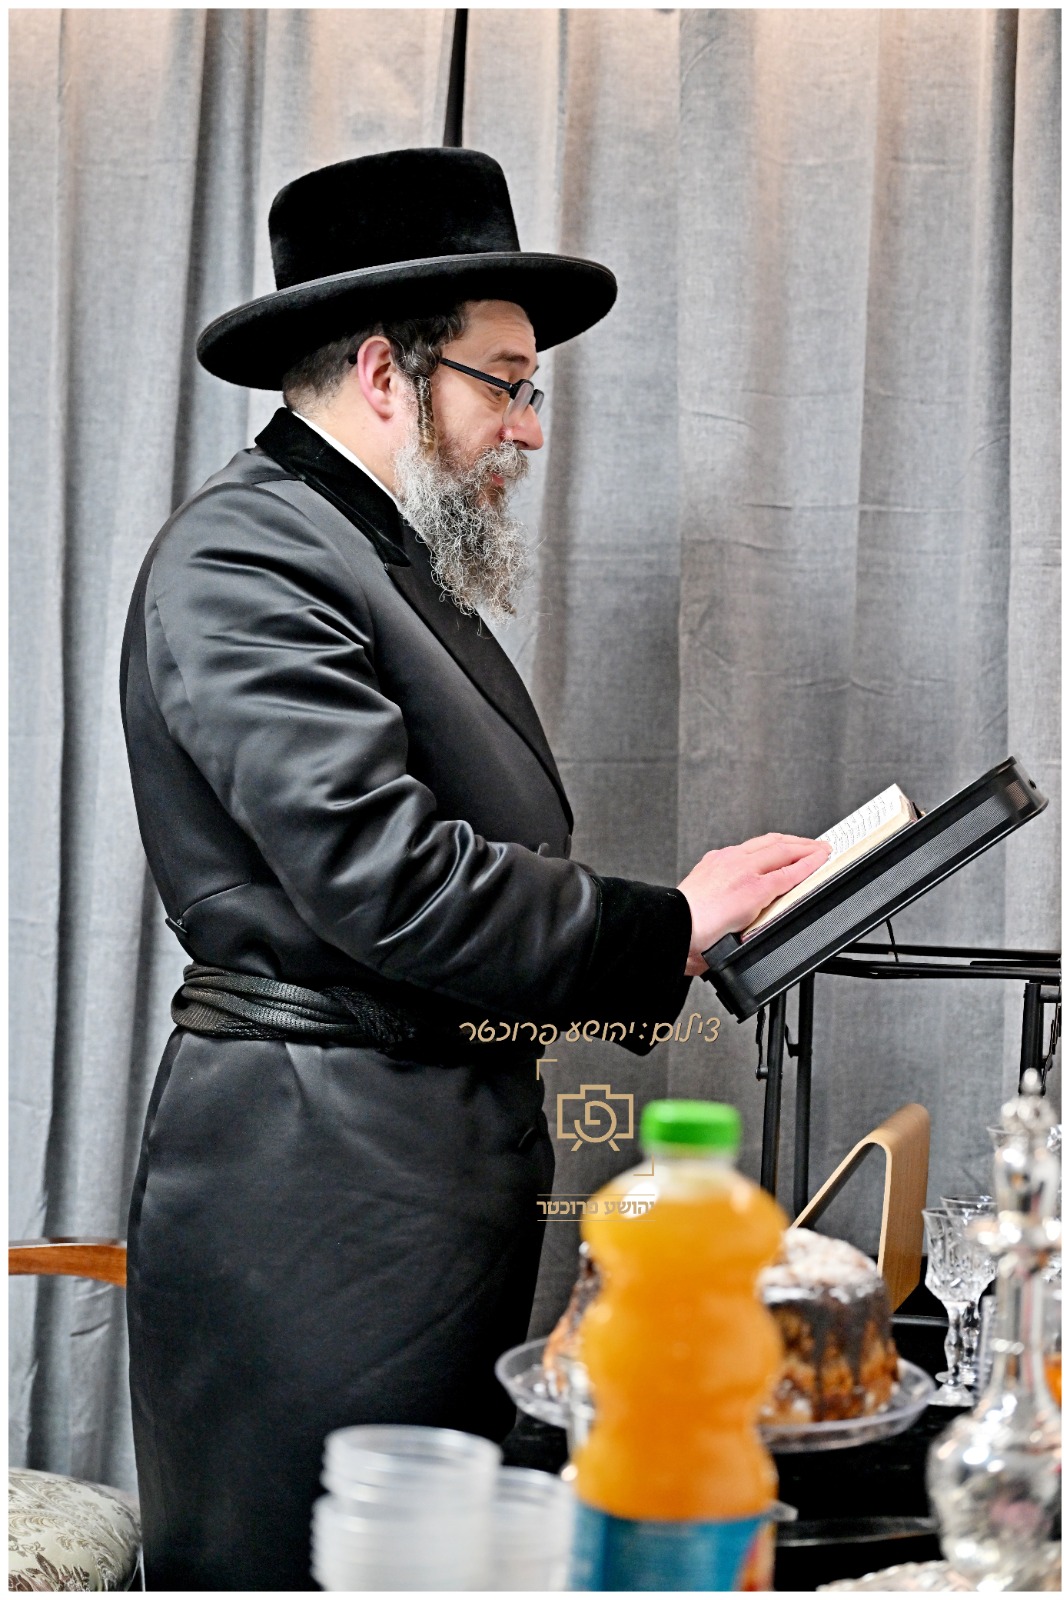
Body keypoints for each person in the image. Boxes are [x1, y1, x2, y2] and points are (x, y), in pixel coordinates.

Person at [120, 147, 829, 1589]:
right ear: (387, 372)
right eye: (506, 383)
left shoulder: (365, 552)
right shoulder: (246, 557)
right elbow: (389, 880)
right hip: (313, 1202)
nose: (531, 428)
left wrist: (678, 924)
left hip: (407, 1176)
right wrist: (667, 923)